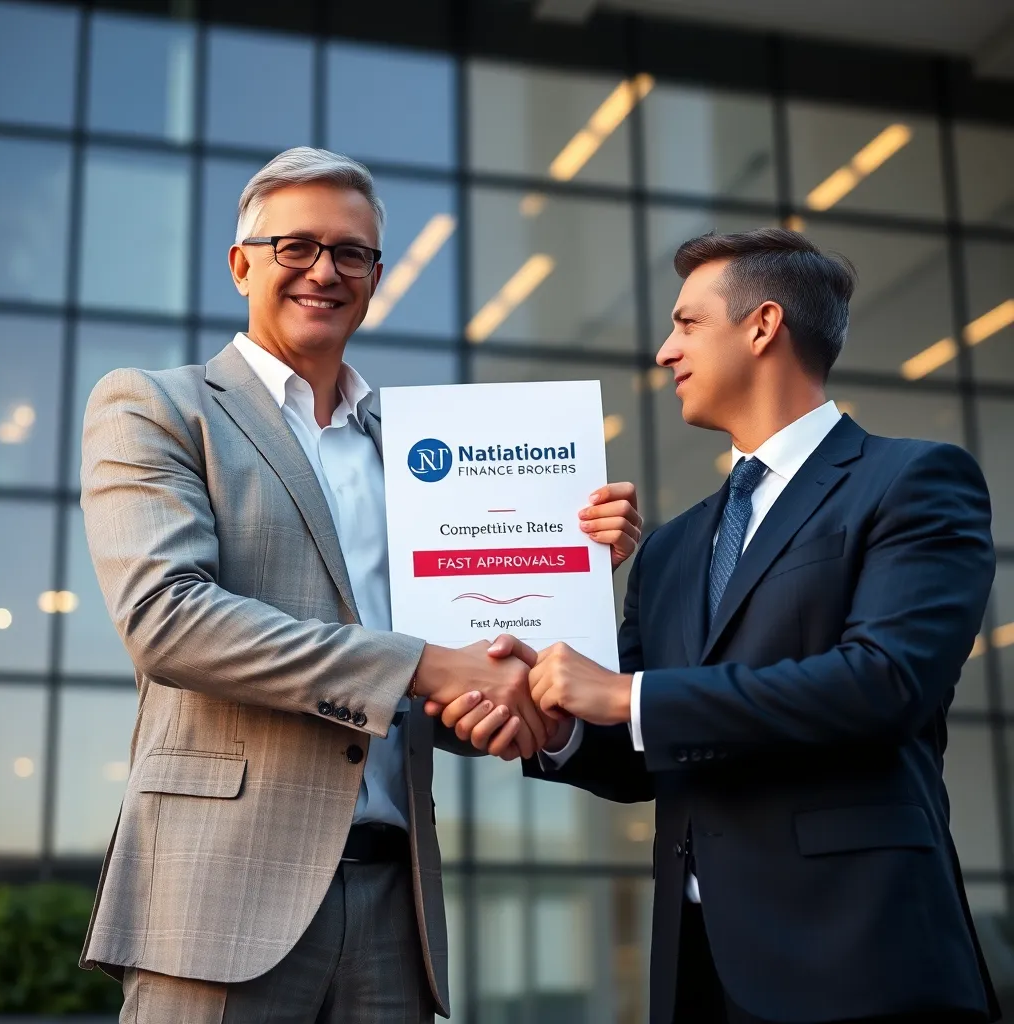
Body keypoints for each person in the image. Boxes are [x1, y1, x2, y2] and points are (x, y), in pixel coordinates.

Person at [78, 146, 642, 1024]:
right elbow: (167, 619)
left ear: (376, 276)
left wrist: (555, 576)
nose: (324, 271)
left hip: (394, 899)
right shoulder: (157, 406)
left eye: (352, 254)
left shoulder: (419, 451)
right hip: (221, 893)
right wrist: (424, 666)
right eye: (295, 246)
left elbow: (439, 674)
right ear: (241, 265)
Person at [432, 228, 1000, 1023]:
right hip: (697, 967)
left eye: (687, 324)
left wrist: (627, 696)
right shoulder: (669, 549)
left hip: (859, 955)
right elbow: (636, 748)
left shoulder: (911, 481)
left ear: (763, 326)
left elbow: (885, 681)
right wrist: (548, 722)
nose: (665, 352)